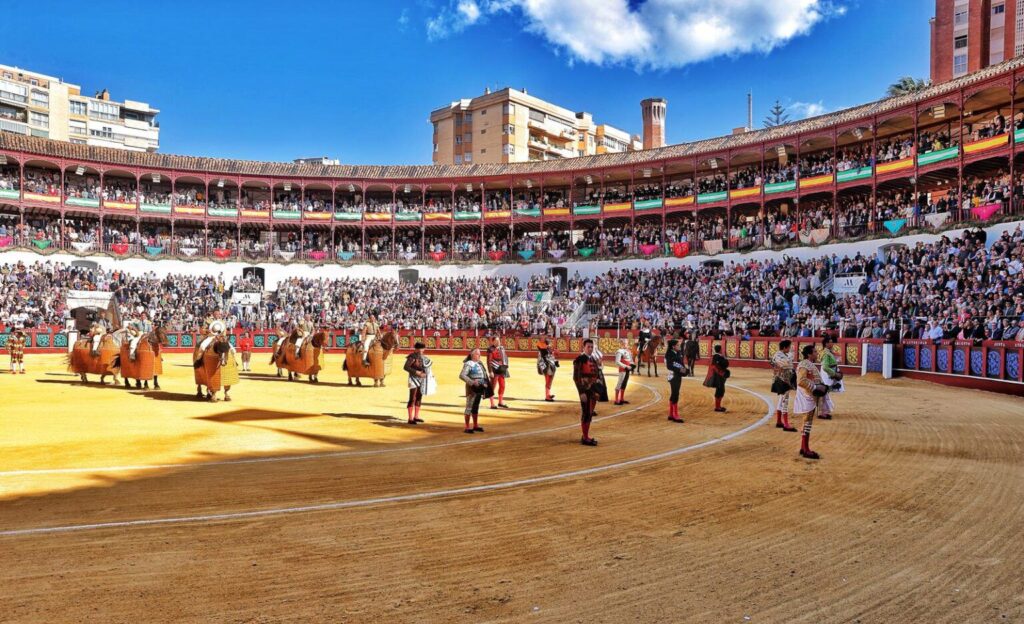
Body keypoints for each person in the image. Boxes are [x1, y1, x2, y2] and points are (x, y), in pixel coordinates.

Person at [793, 344, 829, 459]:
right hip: (807, 395)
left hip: (809, 395)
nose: (816, 353)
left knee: (807, 422)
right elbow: (801, 381)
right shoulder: (804, 364)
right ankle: (806, 449)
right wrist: (815, 388)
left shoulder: (808, 364)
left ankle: (804, 448)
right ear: (809, 354)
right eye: (814, 352)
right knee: (807, 422)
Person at [572, 339, 604, 446]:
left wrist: (599, 388)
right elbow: (576, 377)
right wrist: (581, 392)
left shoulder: (593, 359)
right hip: (585, 390)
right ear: (583, 348)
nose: (590, 349)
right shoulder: (579, 359)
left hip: (593, 390)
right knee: (586, 413)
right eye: (588, 347)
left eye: (591, 347)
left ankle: (586, 435)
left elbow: (598, 374)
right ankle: (585, 437)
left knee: (589, 413)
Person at [459, 348, 490, 434]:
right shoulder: (469, 364)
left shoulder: (479, 363)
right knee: (469, 407)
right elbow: (462, 375)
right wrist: (472, 382)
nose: (479, 355)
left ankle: (475, 425)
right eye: (477, 354)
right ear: (472, 355)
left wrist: (485, 386)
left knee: (475, 407)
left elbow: (484, 376)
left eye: (479, 354)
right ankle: (467, 427)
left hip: (480, 388)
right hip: (471, 389)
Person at [771, 340, 798, 432]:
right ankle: (786, 424)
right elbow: (785, 365)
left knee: (782, 399)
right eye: (789, 347)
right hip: (782, 380)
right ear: (784, 348)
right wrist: (790, 357)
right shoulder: (779, 355)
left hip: (784, 379)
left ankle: (779, 421)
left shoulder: (782, 355)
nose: (790, 349)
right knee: (785, 401)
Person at [403, 341, 432, 425]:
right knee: (412, 398)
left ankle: (416, 416)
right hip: (413, 378)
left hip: (422, 379)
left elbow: (426, 368)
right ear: (415, 349)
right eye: (419, 349)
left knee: (419, 397)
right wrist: (417, 372)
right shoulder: (412, 357)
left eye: (422, 348)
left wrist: (428, 375)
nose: (420, 350)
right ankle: (410, 418)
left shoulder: (424, 357)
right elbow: (406, 367)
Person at [818, 335, 841, 420]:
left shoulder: (828, 352)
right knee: (824, 393)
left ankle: (824, 412)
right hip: (827, 375)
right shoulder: (826, 353)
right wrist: (834, 374)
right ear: (826, 343)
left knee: (825, 393)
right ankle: (822, 413)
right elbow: (825, 367)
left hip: (827, 375)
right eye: (831, 342)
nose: (832, 343)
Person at [664, 338, 686, 422]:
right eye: (678, 345)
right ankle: (675, 415)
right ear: (673, 346)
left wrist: (685, 369)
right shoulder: (669, 354)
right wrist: (683, 370)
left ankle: (671, 414)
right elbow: (669, 366)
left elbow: (681, 363)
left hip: (678, 375)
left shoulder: (678, 352)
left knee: (674, 393)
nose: (679, 346)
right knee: (675, 394)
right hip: (673, 375)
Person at [703, 343, 729, 412]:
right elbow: (720, 366)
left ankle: (718, 406)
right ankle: (717, 407)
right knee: (720, 390)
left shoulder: (714, 356)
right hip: (718, 376)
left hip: (716, 375)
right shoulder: (718, 357)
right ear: (720, 350)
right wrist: (723, 373)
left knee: (720, 390)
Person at [486, 335, 510, 409]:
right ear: (492, 341)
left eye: (498, 340)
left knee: (502, 386)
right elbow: (489, 361)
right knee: (492, 387)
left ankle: (500, 402)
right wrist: (490, 371)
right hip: (495, 370)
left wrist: (505, 367)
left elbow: (505, 358)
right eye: (496, 341)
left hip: (501, 369)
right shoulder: (490, 349)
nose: (498, 342)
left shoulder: (502, 348)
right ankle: (492, 404)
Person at [613, 338, 635, 406]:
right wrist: (626, 366)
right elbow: (617, 362)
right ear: (621, 343)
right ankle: (616, 400)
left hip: (627, 369)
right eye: (624, 343)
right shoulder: (619, 351)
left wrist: (632, 365)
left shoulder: (628, 351)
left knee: (624, 383)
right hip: (623, 369)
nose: (625, 344)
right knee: (620, 383)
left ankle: (622, 398)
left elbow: (630, 360)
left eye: (626, 343)